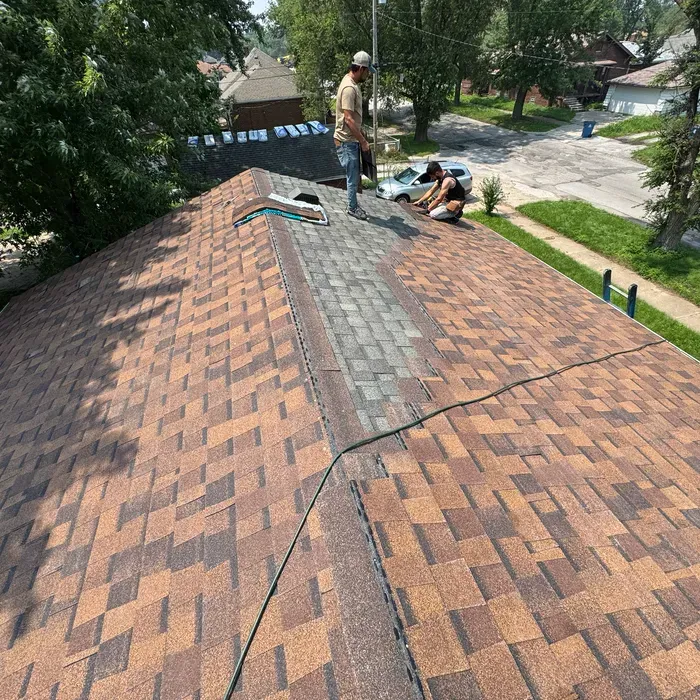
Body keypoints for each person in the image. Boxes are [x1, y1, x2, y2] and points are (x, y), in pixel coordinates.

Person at [334, 51, 375, 220]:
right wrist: (363, 141)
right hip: (347, 141)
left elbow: (353, 119)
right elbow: (349, 119)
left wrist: (360, 131)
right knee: (353, 177)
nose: (368, 75)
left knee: (354, 175)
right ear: (361, 68)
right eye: (367, 71)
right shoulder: (349, 88)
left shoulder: (350, 82)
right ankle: (352, 208)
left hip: (350, 139)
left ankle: (353, 203)